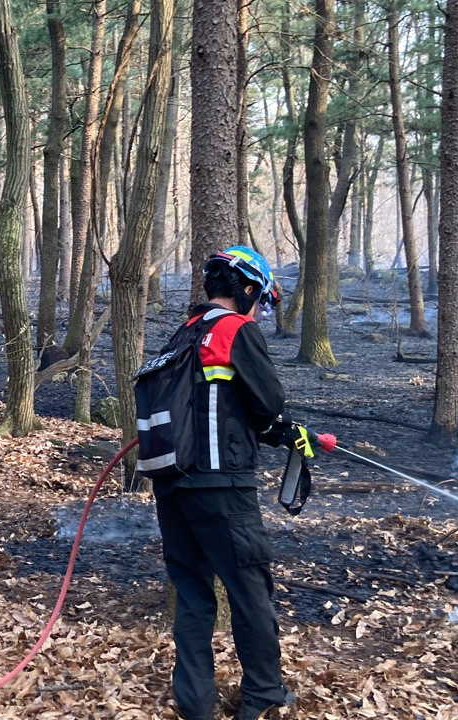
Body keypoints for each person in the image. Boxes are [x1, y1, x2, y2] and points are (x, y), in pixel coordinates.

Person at [152, 246, 306, 720]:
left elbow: (218, 404)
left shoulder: (182, 334)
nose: (259, 309)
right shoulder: (238, 329)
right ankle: (263, 695)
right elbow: (269, 400)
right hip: (223, 487)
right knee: (249, 593)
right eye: (259, 299)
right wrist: (286, 427)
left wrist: (275, 431)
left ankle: (195, 704)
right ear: (245, 288)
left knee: (195, 595)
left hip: (173, 488)